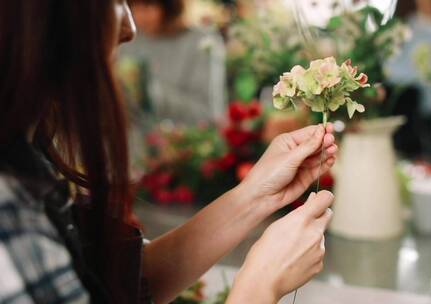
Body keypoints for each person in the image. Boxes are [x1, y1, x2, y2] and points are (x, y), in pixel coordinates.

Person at [0, 1, 339, 304]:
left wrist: (255, 196)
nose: (129, 27)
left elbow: (122, 283)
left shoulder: (25, 166)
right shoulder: (9, 218)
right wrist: (261, 284)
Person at [120, 0, 227, 125]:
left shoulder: (203, 42)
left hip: (185, 139)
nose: (138, 15)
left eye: (148, 6)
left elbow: (209, 114)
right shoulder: (128, 40)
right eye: (133, 7)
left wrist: (150, 91)